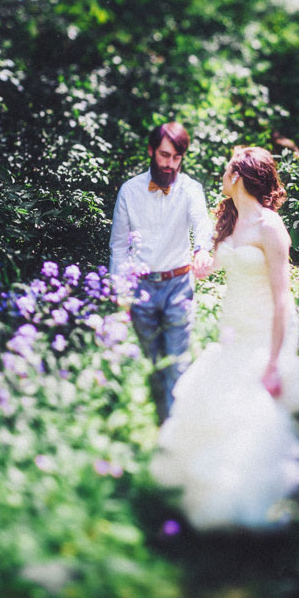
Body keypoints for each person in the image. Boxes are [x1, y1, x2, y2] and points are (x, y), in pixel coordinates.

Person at [153, 146, 299, 531]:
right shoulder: (230, 222)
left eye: (228, 169)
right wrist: (202, 264)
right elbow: (211, 267)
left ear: (241, 176)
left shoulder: (269, 226)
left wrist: (276, 362)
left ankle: (261, 504)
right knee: (221, 403)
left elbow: (282, 296)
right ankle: (220, 498)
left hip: (267, 327)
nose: (223, 175)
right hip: (234, 327)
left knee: (255, 410)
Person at [109, 121, 212, 420]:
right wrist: (120, 289)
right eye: (165, 156)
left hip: (179, 285)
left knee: (177, 364)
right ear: (152, 151)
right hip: (140, 289)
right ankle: (160, 421)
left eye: (177, 158)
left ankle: (174, 436)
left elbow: (201, 222)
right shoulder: (129, 191)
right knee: (155, 364)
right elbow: (118, 246)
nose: (170, 164)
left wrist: (202, 249)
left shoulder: (190, 188)